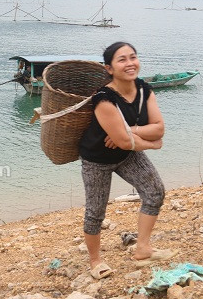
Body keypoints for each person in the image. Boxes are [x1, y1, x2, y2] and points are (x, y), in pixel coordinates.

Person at [78, 41, 175, 279]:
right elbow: (125, 141)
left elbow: (159, 128)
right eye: (122, 60)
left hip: (126, 156)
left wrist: (131, 130)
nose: (130, 63)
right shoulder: (104, 99)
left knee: (155, 192)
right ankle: (95, 261)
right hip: (97, 159)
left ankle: (143, 249)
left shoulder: (144, 90)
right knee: (95, 212)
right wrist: (151, 142)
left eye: (133, 57)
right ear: (109, 68)